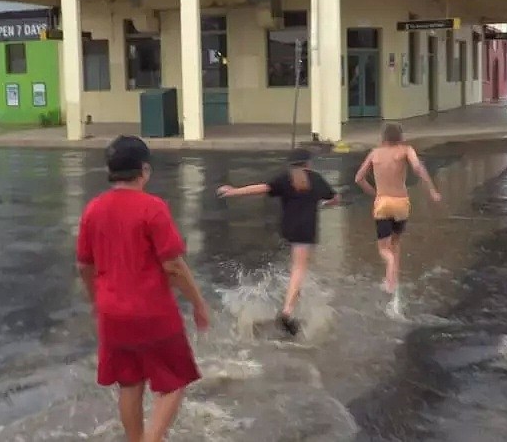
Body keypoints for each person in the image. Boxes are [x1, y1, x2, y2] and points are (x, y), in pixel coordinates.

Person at [76, 135, 211, 442]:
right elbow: (173, 266)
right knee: (176, 380)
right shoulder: (152, 207)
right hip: (152, 313)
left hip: (113, 315)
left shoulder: (93, 209)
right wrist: (199, 304)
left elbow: (84, 266)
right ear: (145, 170)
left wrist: (97, 301)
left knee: (129, 383)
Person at [217, 148, 339, 336]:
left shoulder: (285, 178)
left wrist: (234, 192)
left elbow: (261, 188)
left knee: (298, 266)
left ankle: (294, 295)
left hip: (289, 229)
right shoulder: (316, 179)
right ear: (308, 163)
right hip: (306, 230)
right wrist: (324, 204)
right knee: (299, 269)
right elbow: (335, 198)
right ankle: (287, 312)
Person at [354, 123, 442, 298]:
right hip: (401, 204)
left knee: (384, 249)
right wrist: (432, 189)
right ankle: (393, 281)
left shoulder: (374, 153)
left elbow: (358, 178)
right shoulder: (406, 150)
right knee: (396, 242)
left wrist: (374, 193)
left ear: (383, 137)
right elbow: (417, 168)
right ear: (400, 137)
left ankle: (390, 267)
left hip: (383, 203)